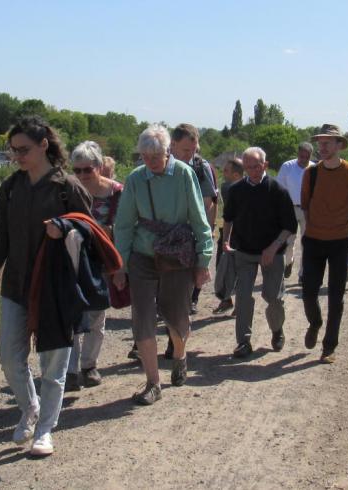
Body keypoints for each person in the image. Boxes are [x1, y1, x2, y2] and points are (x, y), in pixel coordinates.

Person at [0, 117, 92, 457]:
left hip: (55, 289)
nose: (16, 157)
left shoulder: (66, 187)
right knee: (8, 357)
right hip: (16, 285)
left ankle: (45, 431)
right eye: (13, 150)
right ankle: (30, 407)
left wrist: (65, 224)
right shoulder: (12, 187)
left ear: (44, 145)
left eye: (23, 150)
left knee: (53, 366)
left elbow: (90, 230)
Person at [112, 125, 213, 405]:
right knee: (142, 319)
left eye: (156, 156)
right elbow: (123, 225)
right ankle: (152, 383)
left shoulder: (184, 174)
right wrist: (120, 264)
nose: (151, 162)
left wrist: (203, 260)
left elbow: (199, 218)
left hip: (177, 256)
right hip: (143, 257)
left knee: (176, 317)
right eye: (145, 156)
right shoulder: (135, 179)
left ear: (167, 152)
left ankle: (180, 356)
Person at [299, 124, 348, 365]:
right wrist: (315, 227)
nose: (322, 147)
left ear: (339, 145)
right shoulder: (311, 173)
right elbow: (305, 205)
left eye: (328, 142)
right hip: (314, 241)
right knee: (308, 292)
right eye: (320, 142)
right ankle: (315, 323)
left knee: (336, 297)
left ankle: (329, 347)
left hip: (339, 243)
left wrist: (343, 229)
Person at [221, 147, 296, 358]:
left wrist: (272, 248)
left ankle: (277, 329)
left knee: (272, 296)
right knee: (243, 296)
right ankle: (243, 342)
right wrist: (226, 240)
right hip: (244, 251)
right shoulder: (236, 190)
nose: (252, 170)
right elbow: (228, 218)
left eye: (256, 166)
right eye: (248, 167)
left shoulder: (278, 190)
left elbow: (290, 226)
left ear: (265, 165)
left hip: (272, 252)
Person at [65, 141, 123, 391]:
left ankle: (89, 365)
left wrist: (120, 267)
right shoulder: (67, 190)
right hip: (73, 258)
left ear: (99, 167)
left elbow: (124, 229)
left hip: (102, 260)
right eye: (76, 170)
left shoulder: (117, 192)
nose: (81, 175)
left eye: (86, 170)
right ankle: (70, 370)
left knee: (97, 314)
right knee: (71, 313)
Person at [170, 124, 218, 316]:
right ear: (172, 145)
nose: (190, 155)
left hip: (190, 232)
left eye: (193, 150)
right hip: (164, 231)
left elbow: (208, 202)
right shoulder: (157, 164)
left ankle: (190, 300)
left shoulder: (200, 167)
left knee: (190, 274)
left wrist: (204, 230)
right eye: (185, 150)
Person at [276, 142, 315, 281]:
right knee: (288, 241)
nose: (303, 159)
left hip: (307, 210)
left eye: (306, 156)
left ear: (310, 155)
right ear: (298, 153)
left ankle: (303, 273)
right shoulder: (288, 167)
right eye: (301, 156)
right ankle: (289, 261)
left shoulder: (314, 168)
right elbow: (279, 187)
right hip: (290, 208)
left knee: (307, 243)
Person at [212, 157, 244, 315]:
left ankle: (237, 304)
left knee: (236, 270)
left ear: (237, 175)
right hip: (228, 232)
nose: (223, 173)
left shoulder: (229, 187)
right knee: (223, 267)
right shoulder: (228, 187)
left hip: (238, 235)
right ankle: (227, 300)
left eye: (226, 171)